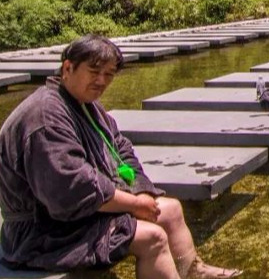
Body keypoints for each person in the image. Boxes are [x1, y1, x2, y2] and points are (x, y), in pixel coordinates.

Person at [0, 35, 240, 279]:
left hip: (75, 215)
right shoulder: (45, 117)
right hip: (44, 231)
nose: (101, 81)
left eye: (109, 74)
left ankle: (191, 270)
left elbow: (121, 148)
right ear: (68, 68)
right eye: (94, 71)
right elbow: (72, 189)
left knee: (169, 210)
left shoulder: (86, 104)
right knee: (152, 238)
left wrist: (141, 190)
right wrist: (134, 204)